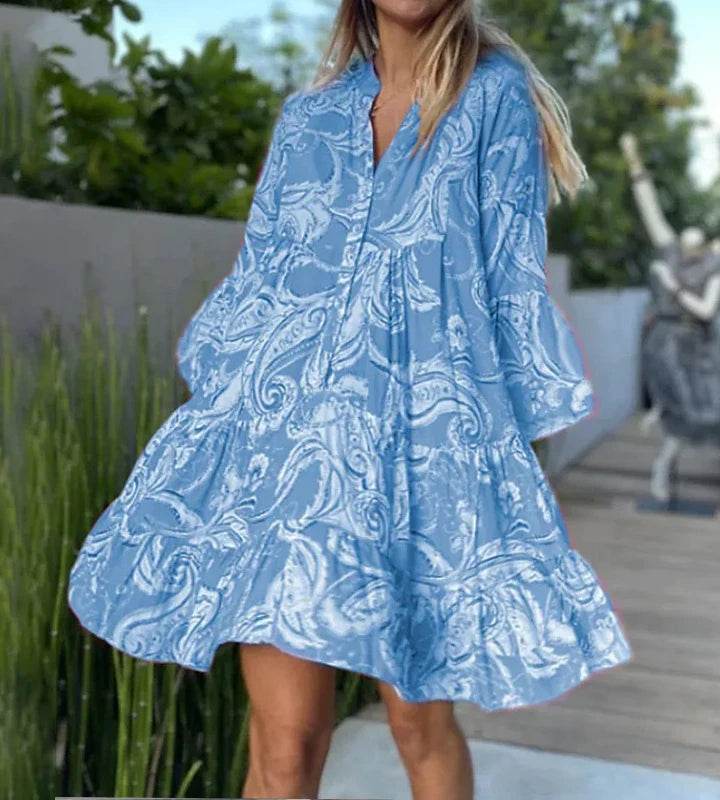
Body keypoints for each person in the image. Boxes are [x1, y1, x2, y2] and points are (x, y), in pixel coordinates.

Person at [67, 2, 632, 798]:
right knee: (286, 745)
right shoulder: (309, 120)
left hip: (421, 460)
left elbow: (508, 280)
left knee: (417, 726)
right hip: (286, 460)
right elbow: (260, 285)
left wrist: (495, 463)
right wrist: (219, 439)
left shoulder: (493, 95)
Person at [620, 132, 720, 503]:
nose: (685, 253)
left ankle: (668, 445)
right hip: (667, 343)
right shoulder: (672, 252)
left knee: (706, 408)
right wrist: (634, 162)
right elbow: (651, 211)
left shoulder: (714, 268)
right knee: (679, 405)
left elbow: (706, 310)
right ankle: (662, 457)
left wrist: (672, 286)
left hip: (700, 344)